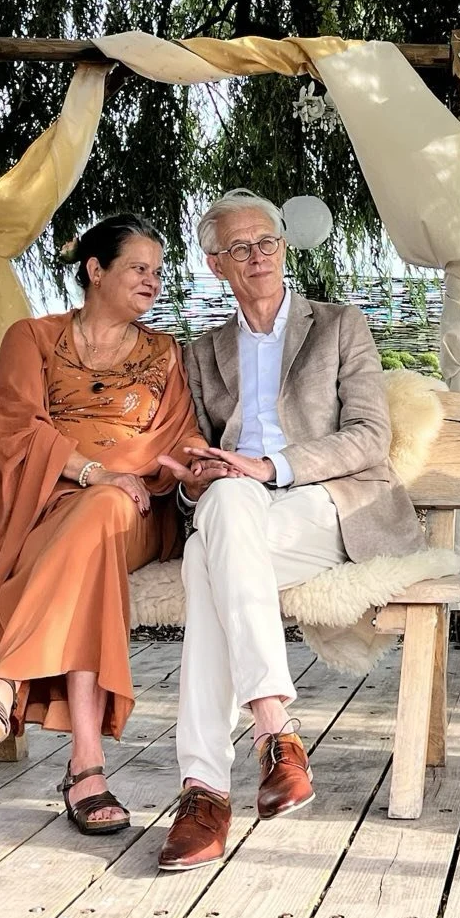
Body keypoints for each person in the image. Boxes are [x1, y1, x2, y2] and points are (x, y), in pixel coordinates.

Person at [155, 190, 423, 873]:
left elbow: (370, 436)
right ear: (217, 265)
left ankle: (207, 791)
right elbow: (197, 458)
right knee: (218, 521)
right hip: (241, 517)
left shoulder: (338, 325)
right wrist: (197, 479)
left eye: (268, 241)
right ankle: (269, 737)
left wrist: (270, 466)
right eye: (240, 247)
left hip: (328, 505)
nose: (258, 256)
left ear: (283, 246)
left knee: (209, 551)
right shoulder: (203, 352)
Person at [0, 213, 201, 835]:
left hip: (137, 513)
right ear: (95, 270)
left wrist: (193, 470)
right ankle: (85, 770)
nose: (153, 282)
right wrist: (93, 472)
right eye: (139, 268)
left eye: (158, 271)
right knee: (91, 541)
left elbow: (177, 440)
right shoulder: (32, 338)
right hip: (43, 507)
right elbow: (15, 429)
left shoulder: (165, 353)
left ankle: (5, 679)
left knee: (108, 507)